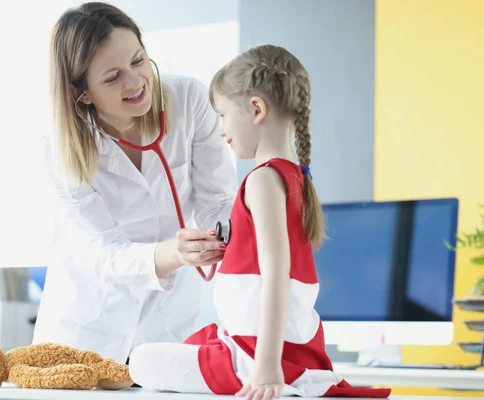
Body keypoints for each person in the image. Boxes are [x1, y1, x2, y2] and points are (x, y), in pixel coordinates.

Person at [128, 45, 392, 399]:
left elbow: (276, 276)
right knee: (187, 343)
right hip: (274, 347)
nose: (222, 130)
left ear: (255, 109)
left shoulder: (262, 180)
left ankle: (259, 369)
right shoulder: (294, 177)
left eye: (222, 115)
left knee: (141, 360)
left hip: (257, 355)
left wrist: (266, 368)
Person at [32, 2, 237, 365]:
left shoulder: (188, 100)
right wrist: (173, 253)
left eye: (138, 60)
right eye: (113, 77)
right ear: (81, 91)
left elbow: (217, 201)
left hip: (170, 321)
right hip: (87, 325)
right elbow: (103, 251)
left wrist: (226, 232)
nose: (136, 82)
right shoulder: (58, 145)